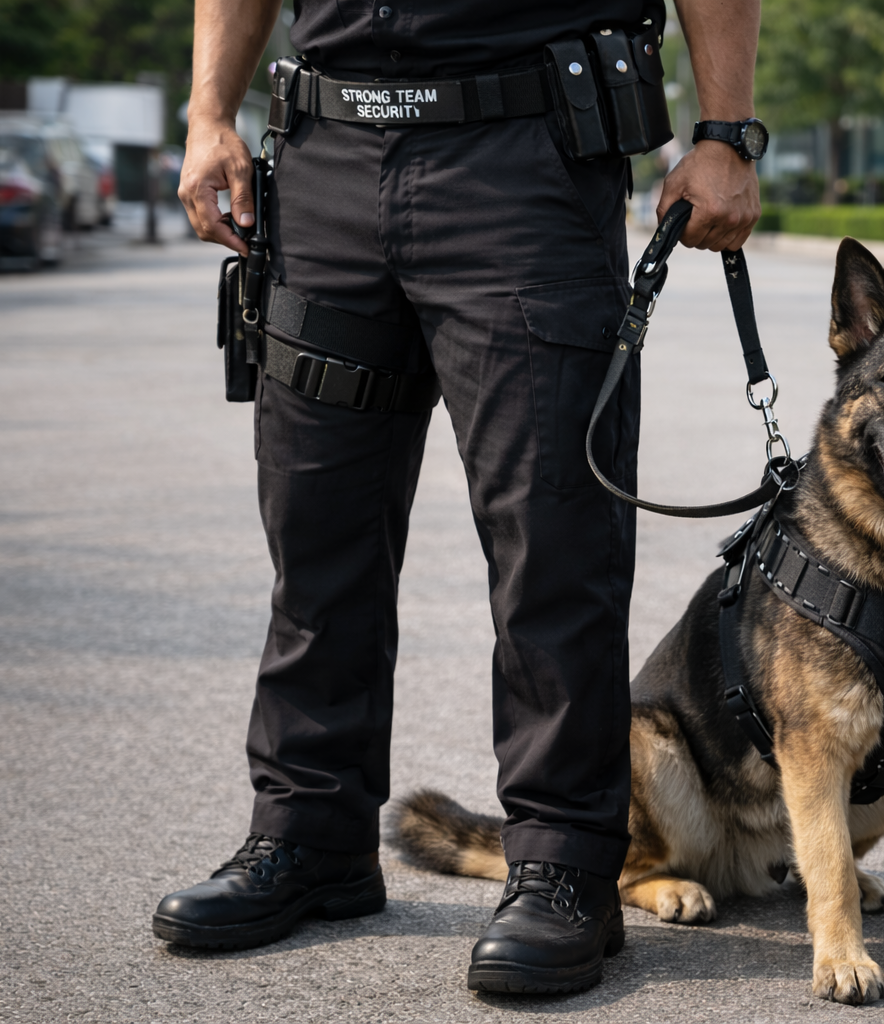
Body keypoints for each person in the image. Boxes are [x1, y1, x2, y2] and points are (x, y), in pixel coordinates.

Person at [153, 0, 761, 995]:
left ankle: (566, 863)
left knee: (552, 545)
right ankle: (311, 836)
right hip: (328, 158)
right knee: (316, 540)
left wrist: (726, 131)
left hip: (525, 160)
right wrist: (207, 110)